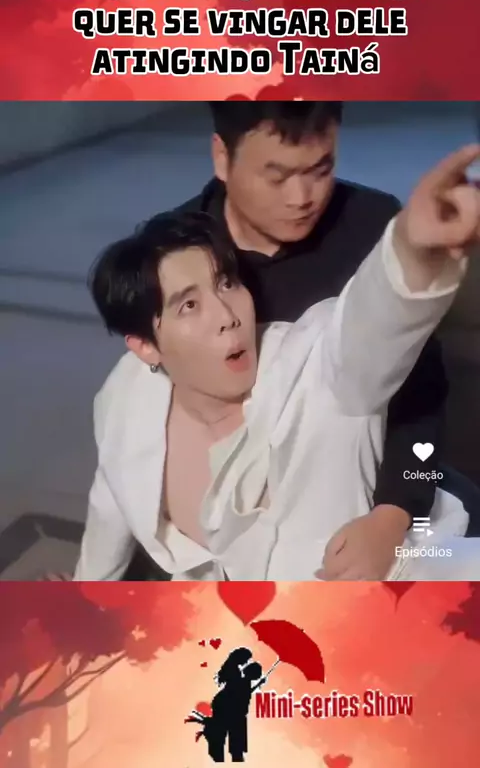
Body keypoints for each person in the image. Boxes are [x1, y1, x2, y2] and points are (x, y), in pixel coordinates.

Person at [73, 146, 480, 583]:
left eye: (226, 283)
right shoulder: (124, 401)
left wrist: (414, 249)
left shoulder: (315, 363)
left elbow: (373, 322)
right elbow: (109, 506)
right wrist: (82, 599)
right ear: (144, 347)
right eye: (189, 305)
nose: (227, 315)